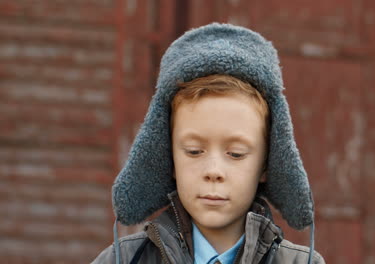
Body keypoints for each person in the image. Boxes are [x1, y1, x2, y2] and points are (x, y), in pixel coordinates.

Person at [92, 23, 325, 264]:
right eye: (194, 151)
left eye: (235, 154)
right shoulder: (122, 260)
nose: (213, 171)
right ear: (169, 157)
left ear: (266, 163)